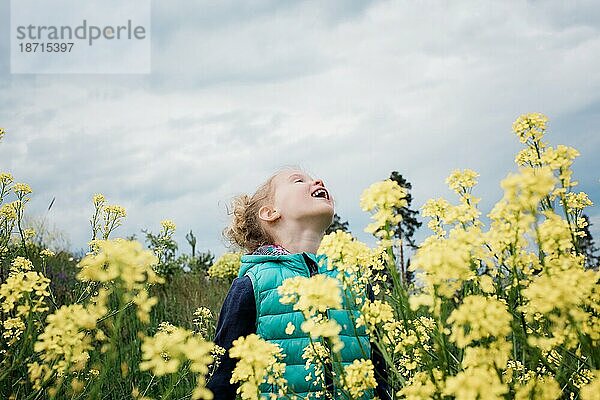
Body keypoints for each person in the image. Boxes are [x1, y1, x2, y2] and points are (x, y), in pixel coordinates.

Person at [206, 166, 391, 399]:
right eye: (298, 180)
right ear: (270, 212)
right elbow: (221, 376)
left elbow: (379, 372)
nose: (318, 181)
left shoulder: (354, 279)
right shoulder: (252, 283)